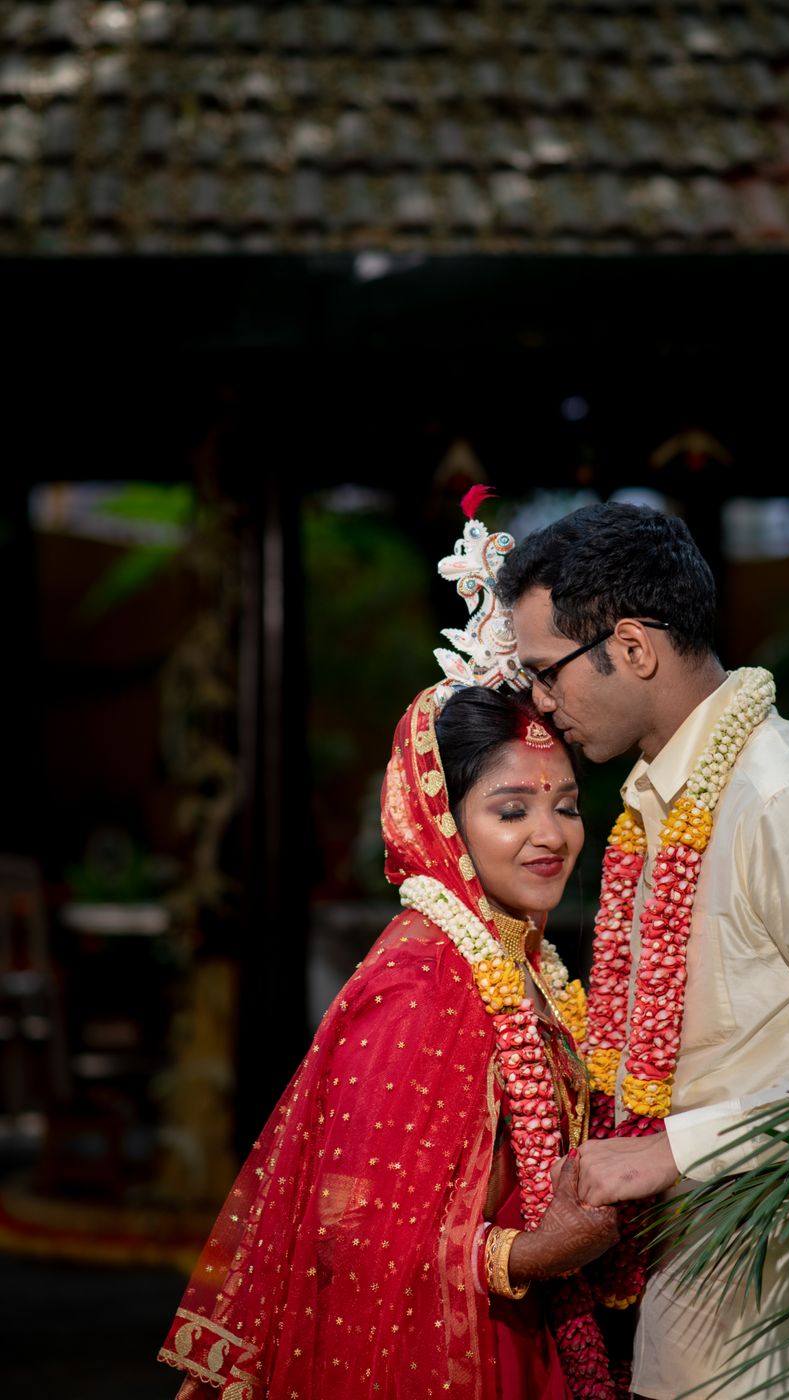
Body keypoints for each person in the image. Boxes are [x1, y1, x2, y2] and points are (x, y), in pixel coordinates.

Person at [158, 508, 623, 1399]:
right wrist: (528, 1253)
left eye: (565, 804)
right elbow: (355, 1233)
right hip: (452, 1348)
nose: (551, 835)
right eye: (512, 809)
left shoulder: (515, 958)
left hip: (526, 1335)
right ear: (443, 820)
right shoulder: (420, 980)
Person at [495, 501, 789, 1399]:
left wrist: (672, 1153)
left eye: (546, 674)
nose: (539, 704)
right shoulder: (661, 804)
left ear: (632, 647)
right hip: (688, 1312)